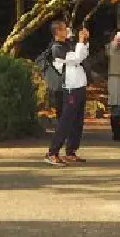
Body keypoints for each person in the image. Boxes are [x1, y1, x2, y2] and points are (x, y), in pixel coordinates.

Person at [45, 21, 91, 165]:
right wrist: (81, 42)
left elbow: (83, 54)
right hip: (70, 87)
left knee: (77, 121)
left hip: (80, 85)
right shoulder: (56, 48)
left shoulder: (67, 44)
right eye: (65, 29)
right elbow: (76, 58)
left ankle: (71, 151)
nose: (68, 30)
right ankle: (52, 152)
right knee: (66, 121)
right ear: (57, 32)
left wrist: (84, 41)